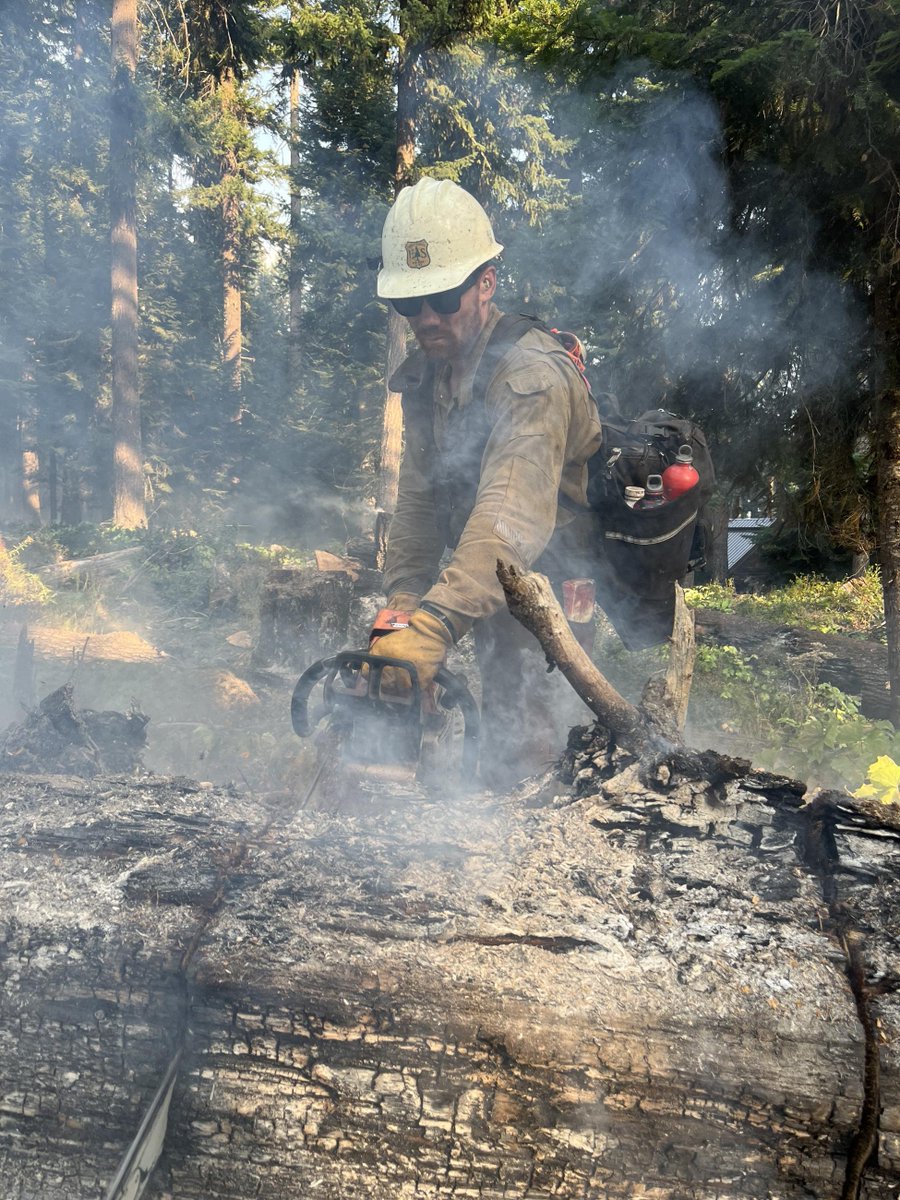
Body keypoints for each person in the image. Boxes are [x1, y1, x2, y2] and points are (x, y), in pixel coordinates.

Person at [370, 177, 602, 790]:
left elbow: (510, 513)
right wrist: (402, 611)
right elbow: (419, 500)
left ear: (485, 284)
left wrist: (433, 628)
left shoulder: (531, 375)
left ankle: (538, 831)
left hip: (548, 583)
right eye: (409, 303)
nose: (425, 318)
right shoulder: (429, 376)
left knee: (527, 748)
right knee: (473, 729)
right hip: (484, 570)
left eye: (443, 297)